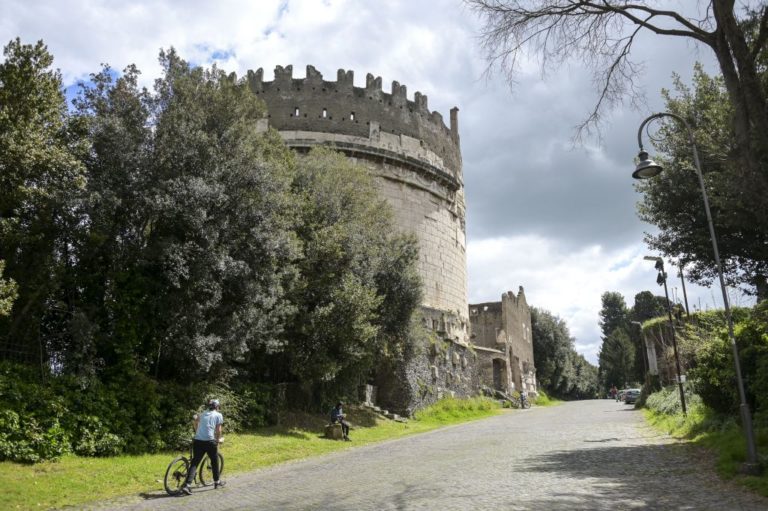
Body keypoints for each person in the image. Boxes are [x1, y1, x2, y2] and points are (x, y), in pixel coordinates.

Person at [181, 398, 226, 495]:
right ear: (217, 407)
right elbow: (218, 430)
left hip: (198, 441)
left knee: (195, 462)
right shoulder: (218, 415)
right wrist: (218, 440)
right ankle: (216, 482)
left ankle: (187, 485)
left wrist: (197, 431)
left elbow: (195, 421)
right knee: (214, 460)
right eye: (218, 407)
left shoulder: (202, 414)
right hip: (210, 442)